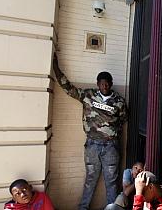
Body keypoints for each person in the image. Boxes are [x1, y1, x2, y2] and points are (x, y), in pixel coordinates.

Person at [52, 53, 127, 210]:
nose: (104, 86)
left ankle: (112, 208)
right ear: (98, 84)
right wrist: (56, 69)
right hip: (92, 145)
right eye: (102, 84)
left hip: (110, 147)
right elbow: (68, 88)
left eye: (107, 84)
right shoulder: (88, 95)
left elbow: (123, 119)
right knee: (90, 180)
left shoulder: (119, 101)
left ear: (111, 84)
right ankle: (83, 208)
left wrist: (111, 134)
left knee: (111, 181)